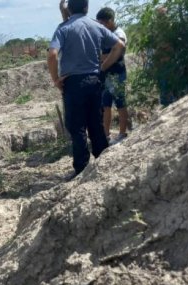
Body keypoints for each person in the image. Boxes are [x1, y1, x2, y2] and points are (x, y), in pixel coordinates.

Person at [48, 0, 125, 180]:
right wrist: (103, 67)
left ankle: (82, 169)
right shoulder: (95, 25)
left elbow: (52, 55)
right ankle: (103, 164)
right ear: (87, 7)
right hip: (94, 80)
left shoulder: (63, 28)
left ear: (69, 9)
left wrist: (56, 80)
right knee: (96, 125)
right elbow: (119, 45)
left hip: (73, 83)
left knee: (77, 127)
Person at [96, 7, 129, 143]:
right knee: (106, 105)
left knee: (120, 104)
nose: (100, 26)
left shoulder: (119, 33)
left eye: (102, 23)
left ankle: (122, 133)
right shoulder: (106, 34)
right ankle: (106, 134)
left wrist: (102, 61)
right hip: (107, 75)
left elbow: (117, 50)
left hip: (117, 74)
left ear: (110, 21)